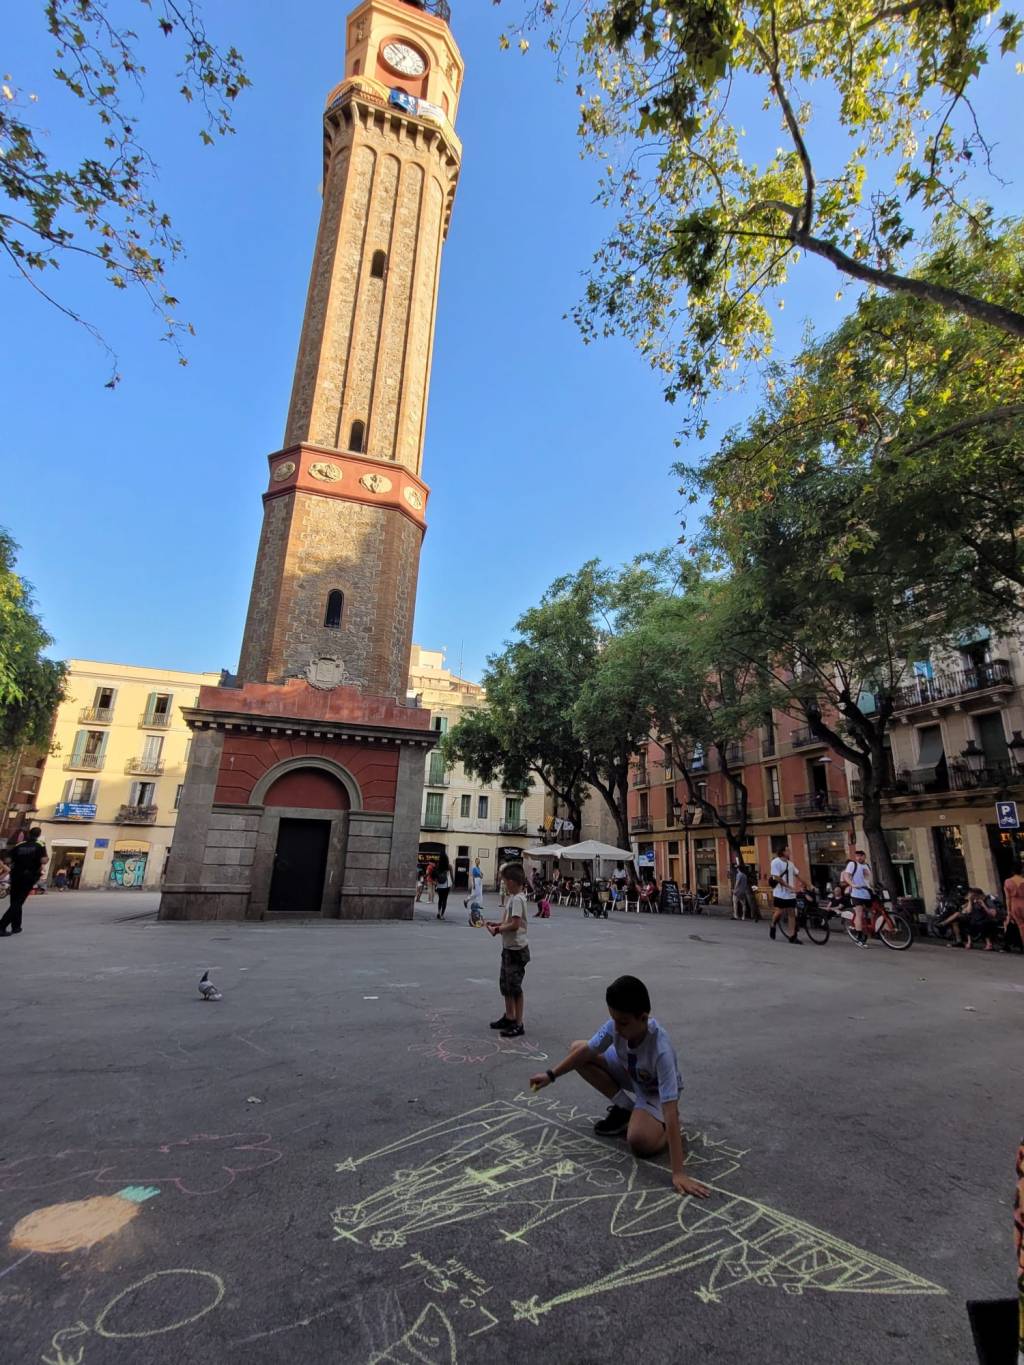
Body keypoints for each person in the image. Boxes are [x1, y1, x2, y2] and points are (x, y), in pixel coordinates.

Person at [528, 975, 710, 1199]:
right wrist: (550, 1075)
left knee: (639, 1143)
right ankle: (625, 1108)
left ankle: (659, 1128)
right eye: (613, 1019)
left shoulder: (661, 1050)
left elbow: (670, 1109)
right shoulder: (616, 1027)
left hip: (652, 1090)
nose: (616, 1027)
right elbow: (586, 1052)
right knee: (577, 1049)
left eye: (623, 1022)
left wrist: (679, 1173)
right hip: (628, 1070)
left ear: (642, 1018)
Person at [486, 863, 529, 1038]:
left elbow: (516, 924)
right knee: (506, 985)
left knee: (515, 987)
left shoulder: (518, 899)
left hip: (517, 950)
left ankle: (518, 1023)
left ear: (512, 882)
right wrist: (498, 924)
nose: (503, 884)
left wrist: (498, 930)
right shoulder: (512, 898)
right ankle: (509, 1016)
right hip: (509, 948)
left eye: (504, 881)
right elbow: (509, 921)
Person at [0, 828, 48, 937]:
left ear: (29, 834)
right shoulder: (40, 844)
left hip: (16, 875)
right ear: (39, 835)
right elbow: (43, 860)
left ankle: (16, 926)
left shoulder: (19, 845)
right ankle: (1, 926)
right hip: (28, 876)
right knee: (18, 902)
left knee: (15, 901)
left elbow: (7, 859)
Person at [769, 843, 804, 944]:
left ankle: (792, 936)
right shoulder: (775, 862)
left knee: (792, 914)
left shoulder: (790, 864)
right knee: (779, 912)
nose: (790, 852)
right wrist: (789, 887)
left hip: (790, 894)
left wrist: (807, 884)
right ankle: (772, 924)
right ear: (783, 852)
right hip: (780, 893)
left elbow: (798, 875)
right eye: (788, 850)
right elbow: (777, 878)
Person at [841, 848, 875, 946]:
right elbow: (846, 876)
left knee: (872, 911)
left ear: (864, 856)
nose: (859, 857)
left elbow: (868, 879)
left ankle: (871, 929)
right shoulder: (853, 864)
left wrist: (872, 887)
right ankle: (859, 935)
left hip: (867, 893)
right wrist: (852, 884)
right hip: (857, 893)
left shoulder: (867, 866)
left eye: (861, 855)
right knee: (859, 913)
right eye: (857, 856)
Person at [1003, 862, 1024, 953]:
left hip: (1015, 904)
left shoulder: (1008, 882)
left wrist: (1009, 911)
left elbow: (1007, 898)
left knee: (1021, 926)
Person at [433, 852, 452, 920]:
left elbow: (434, 875)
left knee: (440, 899)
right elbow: (451, 877)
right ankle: (442, 915)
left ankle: (438, 912)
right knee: (445, 900)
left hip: (439, 885)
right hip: (446, 885)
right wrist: (452, 884)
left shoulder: (438, 866)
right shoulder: (449, 866)